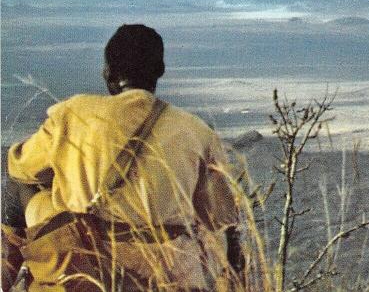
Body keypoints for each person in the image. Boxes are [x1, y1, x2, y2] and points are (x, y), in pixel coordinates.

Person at [3, 24, 242, 291]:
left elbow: (19, 167)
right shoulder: (198, 131)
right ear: (160, 70)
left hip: (84, 268)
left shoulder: (74, 112)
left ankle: (6, 276)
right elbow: (223, 219)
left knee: (18, 185)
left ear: (108, 72)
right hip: (169, 273)